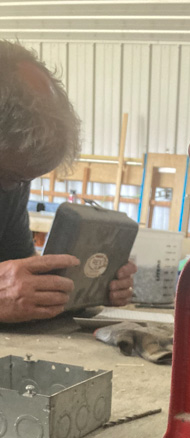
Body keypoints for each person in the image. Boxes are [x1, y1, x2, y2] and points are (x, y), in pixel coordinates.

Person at [0, 40, 136, 323]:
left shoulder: (11, 183)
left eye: (23, 180)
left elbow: (18, 274)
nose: (13, 188)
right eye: (10, 176)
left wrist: (83, 288)